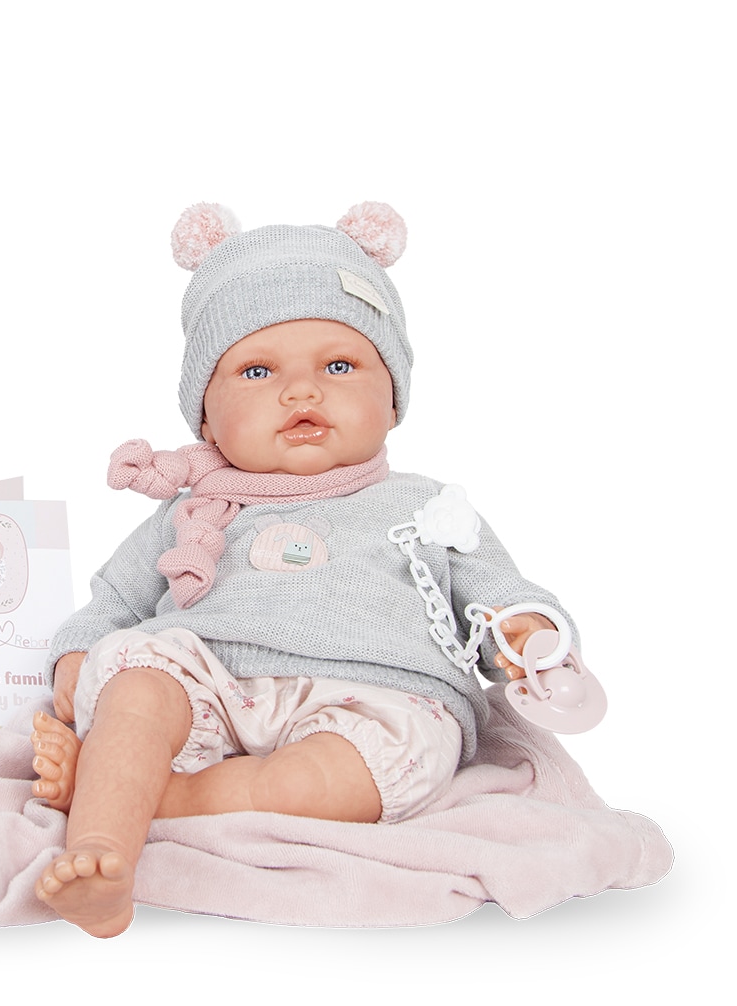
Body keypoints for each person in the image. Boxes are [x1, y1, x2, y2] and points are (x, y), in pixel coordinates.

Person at [29, 201, 575, 937]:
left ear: (394, 399)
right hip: (208, 683)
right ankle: (100, 852)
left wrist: (527, 631)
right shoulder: (193, 510)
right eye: (257, 371)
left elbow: (498, 595)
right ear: (205, 418)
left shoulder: (426, 506)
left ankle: (146, 796)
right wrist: (75, 656)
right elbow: (116, 602)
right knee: (137, 687)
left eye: (339, 366)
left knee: (352, 770)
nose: (302, 391)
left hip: (375, 695)